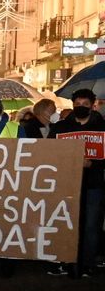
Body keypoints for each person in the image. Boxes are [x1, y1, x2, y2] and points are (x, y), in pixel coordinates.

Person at [48, 89, 105, 278]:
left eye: (85, 104)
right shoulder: (61, 127)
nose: (81, 107)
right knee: (66, 223)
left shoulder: (102, 127)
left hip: (93, 184)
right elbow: (50, 151)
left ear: (92, 105)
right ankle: (65, 260)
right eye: (77, 104)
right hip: (67, 184)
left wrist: (93, 163)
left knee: (90, 226)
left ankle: (87, 263)